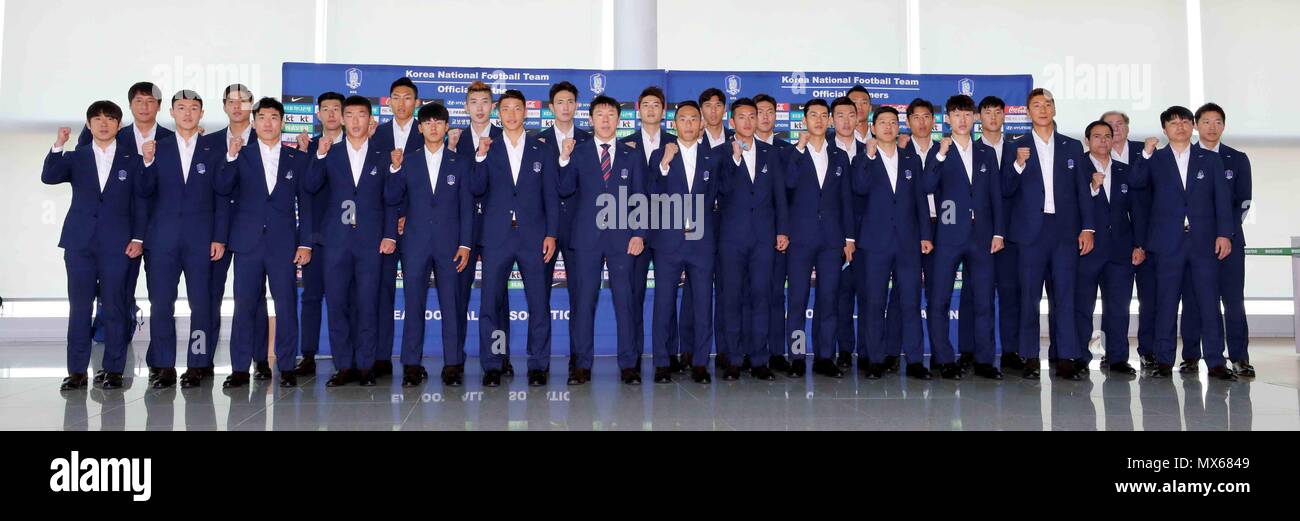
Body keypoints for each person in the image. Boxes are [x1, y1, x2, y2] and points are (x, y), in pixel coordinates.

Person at [212, 97, 314, 388]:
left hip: (283, 245)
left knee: (286, 305)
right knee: (244, 306)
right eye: (263, 118)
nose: (268, 123)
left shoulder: (298, 158)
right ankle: (240, 368)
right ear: (253, 123)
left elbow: (305, 204)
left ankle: (286, 365)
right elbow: (222, 187)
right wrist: (230, 157)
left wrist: (305, 243)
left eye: (274, 117)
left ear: (282, 123)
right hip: (247, 244)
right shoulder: (240, 154)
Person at [45, 100, 147, 391]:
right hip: (80, 243)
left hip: (119, 245)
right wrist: (58, 145)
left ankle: (113, 370)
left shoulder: (132, 159)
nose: (104, 123)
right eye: (98, 119)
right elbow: (49, 176)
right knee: (79, 307)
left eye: (110, 119)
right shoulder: (76, 157)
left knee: (116, 306)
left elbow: (140, 203)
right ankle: (77, 371)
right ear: (89, 125)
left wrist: (138, 238)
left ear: (119, 124)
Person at [1130, 106, 1235, 380]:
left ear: (1193, 127)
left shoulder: (1209, 159)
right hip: (1167, 243)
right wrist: (1145, 153)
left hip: (1203, 242)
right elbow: (1136, 183)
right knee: (1166, 303)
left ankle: (1215, 361)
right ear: (1165, 129)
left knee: (1209, 303)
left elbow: (1222, 200)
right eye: (1173, 123)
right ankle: (1164, 360)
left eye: (1186, 122)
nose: (1180, 127)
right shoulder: (1155, 159)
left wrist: (1224, 234)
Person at [467, 89, 559, 387]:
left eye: (517, 108)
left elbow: (551, 195)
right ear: (499, 113)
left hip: (534, 237)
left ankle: (537, 365)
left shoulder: (541, 148)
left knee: (538, 303)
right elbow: (476, 188)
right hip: (496, 237)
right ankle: (494, 363)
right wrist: (479, 157)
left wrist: (551, 234)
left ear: (525, 112)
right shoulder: (487, 148)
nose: (511, 114)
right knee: (490, 304)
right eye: (505, 109)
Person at [78, 82, 172, 372]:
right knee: (116, 295)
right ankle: (111, 350)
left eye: (150, 101)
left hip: (161, 229)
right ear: (130, 105)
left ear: (158, 106)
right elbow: (87, 170)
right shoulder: (112, 133)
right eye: (139, 101)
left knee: (161, 298)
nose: (144, 106)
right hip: (120, 232)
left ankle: (159, 360)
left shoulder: (173, 138)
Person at [304, 95, 397, 387]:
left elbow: (393, 200)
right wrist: (318, 155)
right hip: (336, 242)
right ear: (342, 119)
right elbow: (310, 185)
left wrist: (390, 233)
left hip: (370, 242)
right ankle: (344, 366)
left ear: (370, 121)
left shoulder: (384, 156)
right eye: (350, 116)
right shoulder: (329, 152)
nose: (356, 122)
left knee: (368, 304)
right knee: (337, 304)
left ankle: (366, 365)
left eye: (362, 116)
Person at [1002, 88, 1095, 380]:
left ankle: (1065, 355)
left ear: (1054, 109)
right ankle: (1029, 356)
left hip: (1064, 232)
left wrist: (1088, 228)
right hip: (1030, 233)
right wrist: (1018, 165)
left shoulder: (1071, 147)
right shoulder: (1014, 146)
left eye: (1048, 104)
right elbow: (1005, 190)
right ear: (1027, 112)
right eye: (1036, 105)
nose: (1043, 109)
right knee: (1029, 296)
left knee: (1065, 296)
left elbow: (1083, 191)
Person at [137, 90, 228, 388]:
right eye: (181, 108)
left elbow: (223, 197)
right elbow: (144, 193)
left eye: (194, 108)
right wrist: (147, 163)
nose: (187, 113)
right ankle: (163, 365)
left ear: (202, 114)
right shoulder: (156, 148)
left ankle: (198, 363)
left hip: (201, 240)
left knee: (201, 304)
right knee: (161, 304)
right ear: (172, 113)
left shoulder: (215, 149)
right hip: (162, 240)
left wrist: (219, 237)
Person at [557, 95, 647, 385]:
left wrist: (639, 233)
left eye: (611, 115)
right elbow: (565, 189)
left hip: (623, 238)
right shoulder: (579, 152)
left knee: (626, 302)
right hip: (586, 238)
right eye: (600, 115)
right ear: (591, 119)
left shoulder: (632, 155)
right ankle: (581, 365)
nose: (606, 120)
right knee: (584, 302)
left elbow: (641, 197)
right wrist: (563, 159)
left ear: (619, 120)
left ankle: (629, 365)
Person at [386, 102, 474, 386]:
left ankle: (453, 364)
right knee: (413, 304)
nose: (434, 127)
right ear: (420, 127)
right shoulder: (407, 161)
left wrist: (466, 244)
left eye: (439, 122)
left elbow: (466, 206)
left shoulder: (460, 162)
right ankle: (411, 364)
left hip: (450, 244)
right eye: (428, 123)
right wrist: (395, 169)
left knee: (452, 304)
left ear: (447, 127)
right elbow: (392, 196)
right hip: (415, 243)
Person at [919, 95, 1006, 380]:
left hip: (982, 237)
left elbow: (996, 196)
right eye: (956, 115)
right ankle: (944, 359)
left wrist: (998, 232)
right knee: (940, 299)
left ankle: (984, 360)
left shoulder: (986, 152)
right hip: (948, 235)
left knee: (983, 300)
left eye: (968, 115)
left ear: (975, 118)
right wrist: (941, 155)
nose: (963, 120)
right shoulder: (938, 150)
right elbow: (927, 186)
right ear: (947, 119)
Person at [851, 105, 932, 379]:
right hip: (875, 243)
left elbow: (921, 201)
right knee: (875, 303)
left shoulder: (910, 160)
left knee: (910, 302)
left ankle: (916, 361)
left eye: (892, 122)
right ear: (873, 128)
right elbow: (859, 188)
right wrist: (868, 156)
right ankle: (875, 360)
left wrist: (925, 236)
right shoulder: (863, 159)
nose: (888, 126)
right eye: (882, 122)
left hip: (908, 243)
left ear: (899, 128)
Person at [646, 101, 720, 383]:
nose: (688, 124)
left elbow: (712, 196)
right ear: (673, 124)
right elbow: (651, 192)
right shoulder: (659, 154)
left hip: (701, 241)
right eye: (682, 119)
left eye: (693, 119)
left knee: (702, 303)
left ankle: (700, 362)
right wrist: (665, 164)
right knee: (664, 303)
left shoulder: (712, 157)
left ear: (701, 124)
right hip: (668, 240)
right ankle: (662, 362)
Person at [716, 98, 789, 381]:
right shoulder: (719, 153)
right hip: (732, 239)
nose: (748, 121)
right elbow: (720, 192)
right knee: (732, 299)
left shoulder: (772, 153)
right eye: (741, 117)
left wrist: (782, 230)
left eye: (752, 116)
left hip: (763, 238)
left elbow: (780, 196)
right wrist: (735, 159)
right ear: (731, 123)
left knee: (762, 298)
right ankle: (734, 359)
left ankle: (760, 359)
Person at [1179, 103, 1254, 377]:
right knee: (1193, 301)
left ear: (1224, 125)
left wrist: (1226, 233)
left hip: (1230, 243)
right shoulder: (1185, 156)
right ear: (1196, 125)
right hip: (1193, 243)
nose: (1213, 127)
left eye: (1218, 122)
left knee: (1233, 301)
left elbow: (1243, 202)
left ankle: (1239, 356)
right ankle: (1190, 356)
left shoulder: (1237, 158)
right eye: (1207, 122)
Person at [783, 98, 855, 378]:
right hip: (800, 239)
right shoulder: (792, 154)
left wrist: (849, 239)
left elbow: (846, 200)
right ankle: (798, 356)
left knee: (829, 299)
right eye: (812, 115)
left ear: (828, 121)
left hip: (831, 240)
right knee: (798, 301)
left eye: (823, 115)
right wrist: (800, 149)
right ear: (804, 121)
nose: (818, 120)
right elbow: (788, 184)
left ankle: (826, 355)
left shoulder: (839, 156)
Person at [205, 84, 269, 382]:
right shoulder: (209, 142)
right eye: (232, 102)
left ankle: (259, 360)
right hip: (214, 230)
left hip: (254, 232)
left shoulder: (267, 139)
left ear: (252, 105)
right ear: (224, 106)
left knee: (253, 299)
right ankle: (202, 360)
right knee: (209, 297)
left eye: (243, 101)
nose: (238, 107)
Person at [449, 80, 511, 377]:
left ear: (493, 106)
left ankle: (499, 357)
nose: (479, 108)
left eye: (485, 101)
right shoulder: (454, 140)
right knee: (458, 295)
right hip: (462, 230)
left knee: (497, 299)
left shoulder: (506, 137)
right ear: (465, 106)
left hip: (498, 228)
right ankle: (455, 358)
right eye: (474, 102)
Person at [1074, 120, 1144, 377]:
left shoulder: (1126, 171)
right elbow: (1071, 207)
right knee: (1082, 306)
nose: (1103, 141)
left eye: (1107, 136)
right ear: (1087, 140)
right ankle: (1079, 357)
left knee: (1118, 307)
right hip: (1086, 250)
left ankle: (1117, 358)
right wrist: (1093, 188)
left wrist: (1139, 244)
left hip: (1120, 251)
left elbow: (1136, 212)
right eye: (1097, 136)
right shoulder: (1075, 168)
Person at [368, 77, 423, 378]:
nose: (401, 103)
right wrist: (392, 220)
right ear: (388, 101)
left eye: (407, 98)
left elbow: (432, 187)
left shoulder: (428, 132)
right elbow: (375, 185)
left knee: (415, 295)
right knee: (382, 292)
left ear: (416, 102)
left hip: (418, 229)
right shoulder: (377, 135)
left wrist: (408, 215)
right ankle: (381, 356)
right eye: (396, 97)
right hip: (384, 230)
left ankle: (412, 360)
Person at [621, 86, 678, 373]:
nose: (652, 109)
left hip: (669, 229)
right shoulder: (625, 144)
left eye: (657, 104)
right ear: (638, 109)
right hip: (634, 231)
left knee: (667, 296)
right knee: (633, 294)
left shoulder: (678, 142)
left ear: (664, 110)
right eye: (646, 105)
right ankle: (631, 360)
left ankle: (667, 358)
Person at [291, 91, 346, 377]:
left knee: (346, 299)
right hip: (316, 238)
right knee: (311, 297)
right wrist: (308, 239)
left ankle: (347, 359)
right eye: (326, 109)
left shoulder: (357, 145)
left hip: (348, 238)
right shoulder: (307, 148)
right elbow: (305, 195)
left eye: (337, 109)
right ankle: (309, 355)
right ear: (318, 114)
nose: (332, 114)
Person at [537, 82, 591, 370]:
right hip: (543, 230)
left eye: (571, 101)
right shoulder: (538, 141)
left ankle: (578, 361)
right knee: (539, 297)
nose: (566, 107)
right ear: (551, 107)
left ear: (577, 106)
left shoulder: (588, 140)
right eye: (560, 102)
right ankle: (540, 364)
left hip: (579, 230)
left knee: (580, 297)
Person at [1101, 109, 1155, 369]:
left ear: (1128, 127)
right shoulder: (1095, 156)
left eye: (1120, 123)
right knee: (1114, 301)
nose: (1115, 128)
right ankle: (1111, 351)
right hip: (1107, 243)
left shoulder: (1145, 153)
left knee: (1148, 298)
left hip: (1146, 238)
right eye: (1109, 125)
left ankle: (1148, 350)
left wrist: (1141, 242)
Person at [755, 92, 794, 373]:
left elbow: (789, 195)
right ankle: (749, 350)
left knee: (776, 294)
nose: (766, 117)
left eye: (771, 112)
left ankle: (777, 351)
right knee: (750, 295)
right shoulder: (739, 148)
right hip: (747, 237)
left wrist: (784, 230)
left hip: (778, 235)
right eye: (760, 112)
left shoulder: (787, 150)